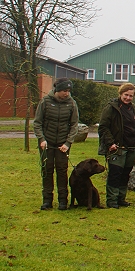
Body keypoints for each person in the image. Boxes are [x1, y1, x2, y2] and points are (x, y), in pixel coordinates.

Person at [99, 83, 135, 209]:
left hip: (132, 148)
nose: (128, 98)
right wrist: (110, 143)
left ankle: (121, 199)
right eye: (126, 95)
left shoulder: (133, 108)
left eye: (130, 96)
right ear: (120, 94)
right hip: (117, 148)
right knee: (115, 173)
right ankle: (112, 200)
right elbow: (103, 127)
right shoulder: (111, 108)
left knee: (125, 174)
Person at [33, 78, 79, 210]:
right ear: (57, 90)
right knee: (47, 171)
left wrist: (68, 143)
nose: (67, 93)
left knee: (62, 171)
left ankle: (63, 200)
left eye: (68, 90)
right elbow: (37, 122)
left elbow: (74, 125)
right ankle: (47, 200)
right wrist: (41, 139)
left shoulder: (72, 103)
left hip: (62, 145)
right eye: (64, 90)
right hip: (47, 143)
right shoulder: (45, 102)